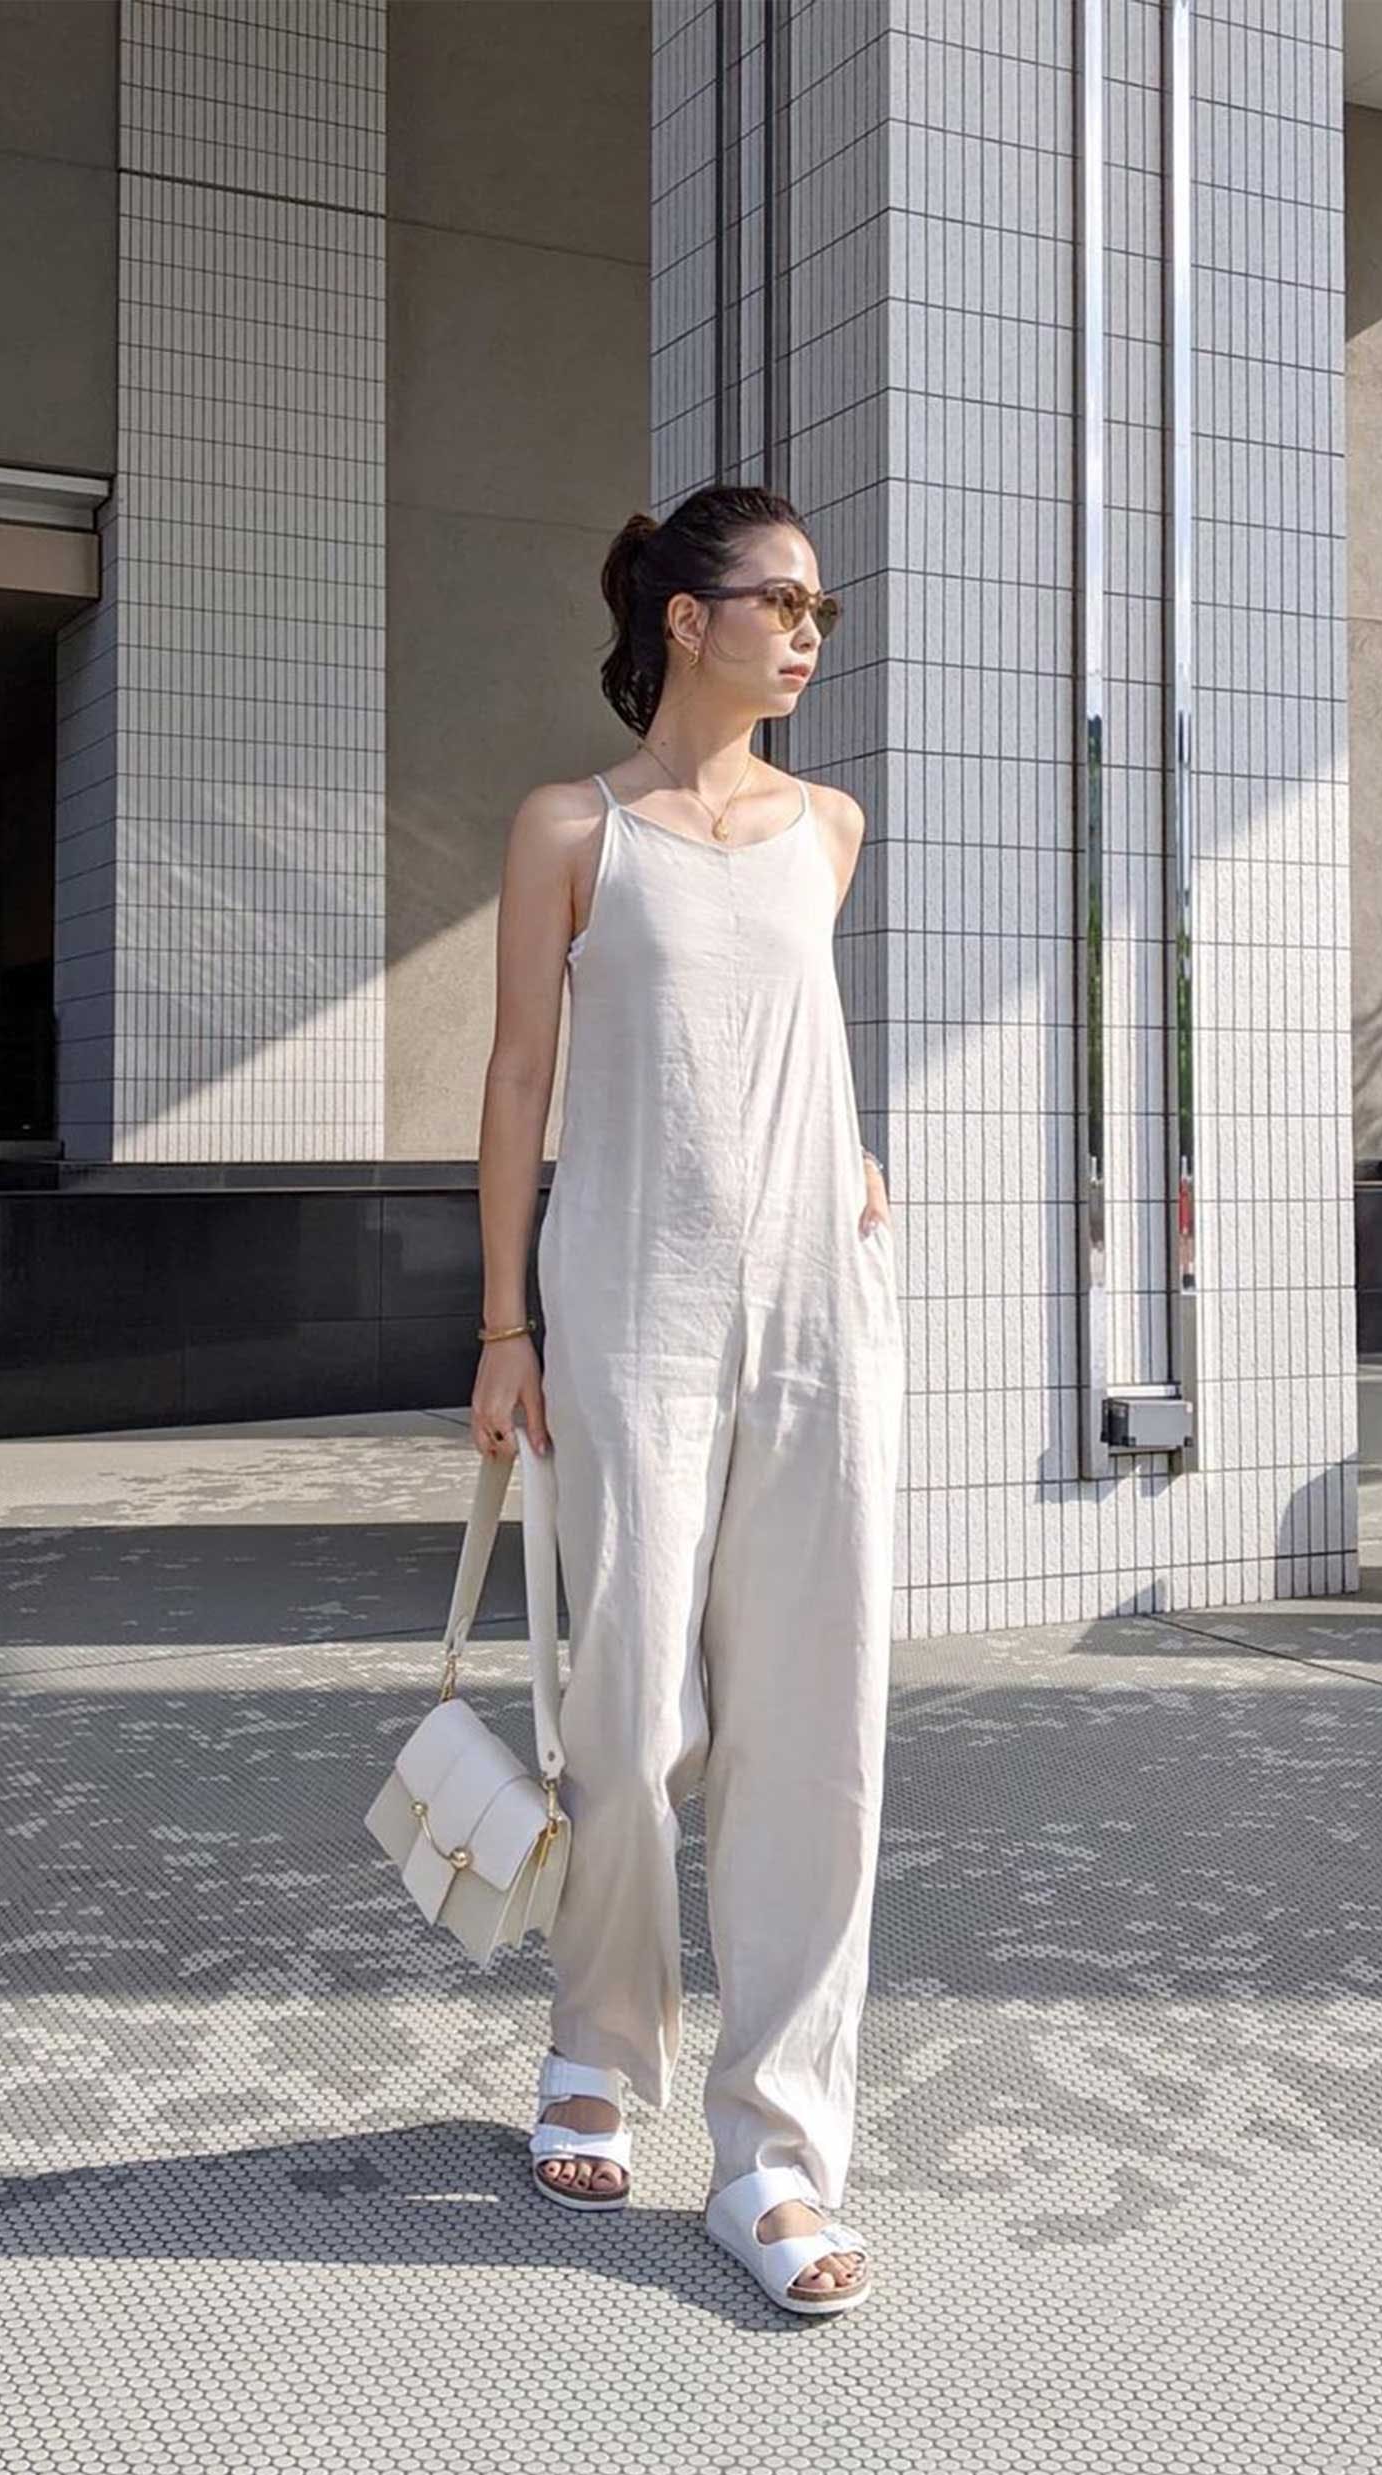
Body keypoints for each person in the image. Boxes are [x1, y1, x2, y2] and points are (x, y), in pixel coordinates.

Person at [467, 483, 904, 2316]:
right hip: (624, 1304)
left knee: (816, 1734)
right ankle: (598, 2038)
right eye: (782, 600)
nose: (810, 630)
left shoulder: (829, 825)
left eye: (819, 606)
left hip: (816, 1308)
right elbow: (514, 1079)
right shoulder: (575, 829)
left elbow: (800, 1036)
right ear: (684, 618)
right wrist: (503, 1330)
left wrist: (861, 1168)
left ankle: (780, 2152)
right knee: (629, 1713)